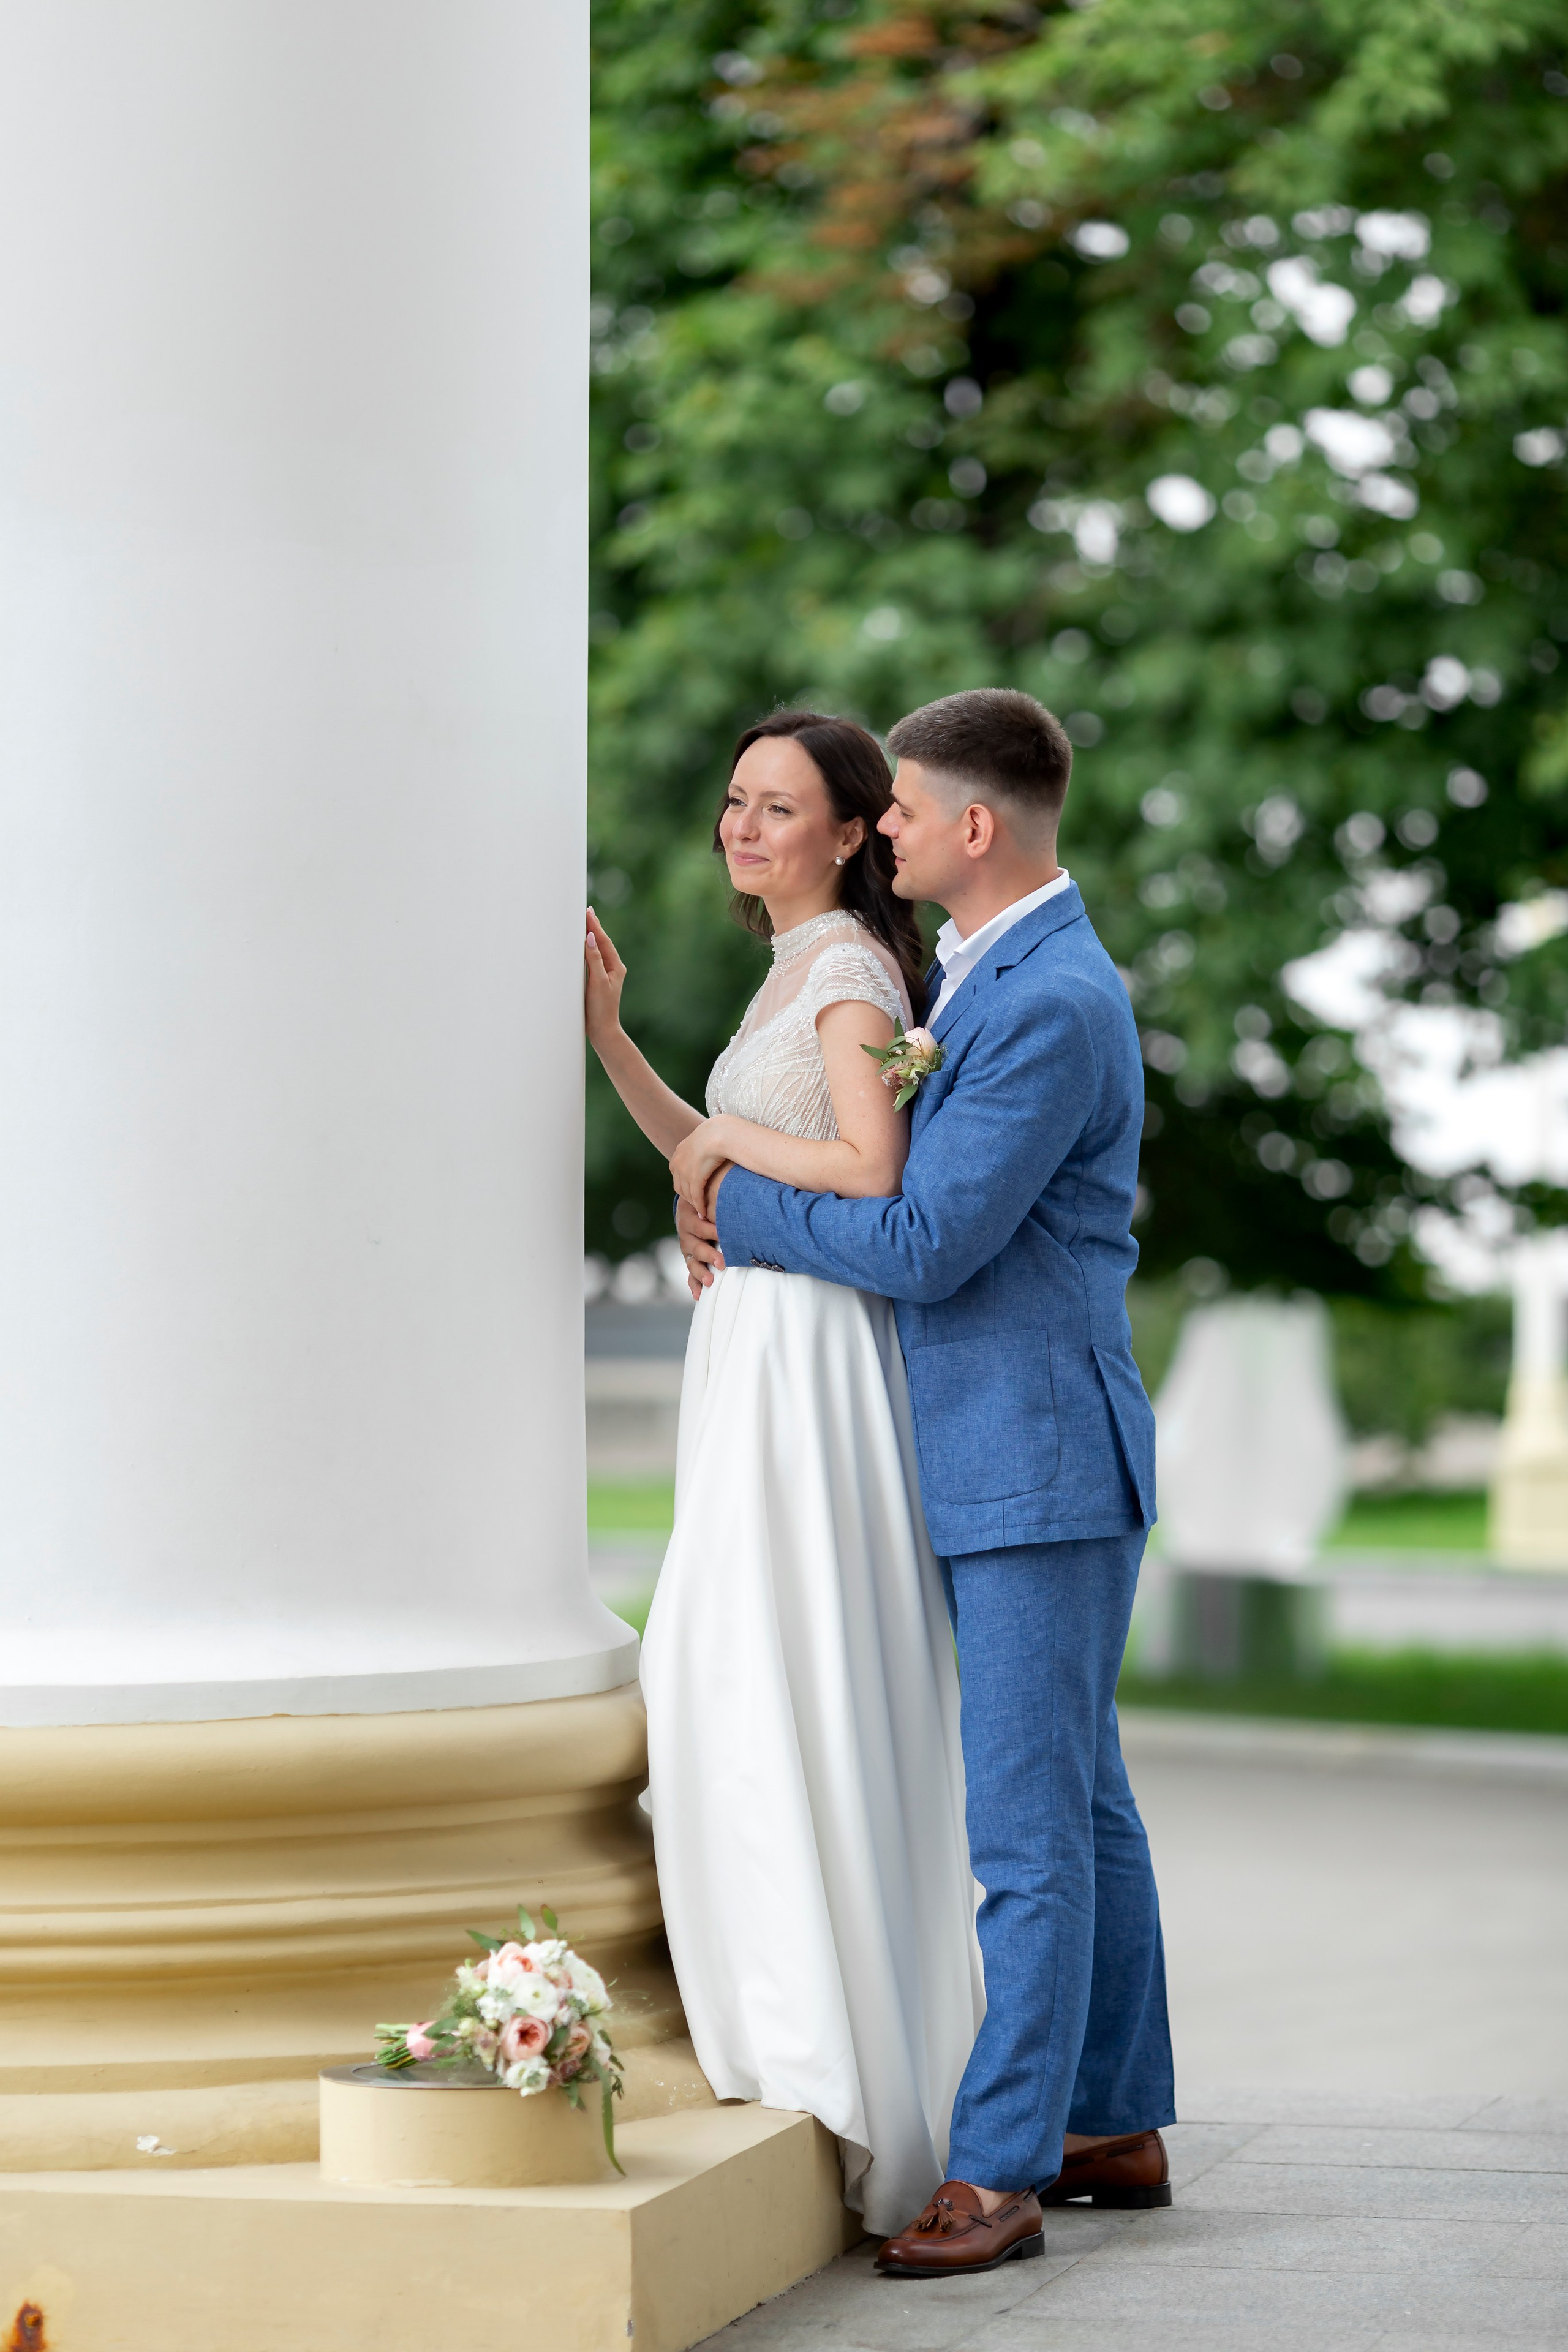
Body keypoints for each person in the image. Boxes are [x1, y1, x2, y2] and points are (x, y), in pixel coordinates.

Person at [678, 687, 1176, 2278]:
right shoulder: (992, 973)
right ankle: (1114, 2116)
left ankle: (1006, 2170)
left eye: (898, 810)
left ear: (976, 827)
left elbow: (924, 1239)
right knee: (1084, 1808)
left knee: (1029, 1830)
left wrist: (734, 1206)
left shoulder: (1043, 1006)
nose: (880, 832)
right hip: (1025, 1452)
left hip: (1029, 1461)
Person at [583, 709, 983, 2237]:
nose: (742, 828)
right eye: (733, 801)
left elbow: (870, 1169)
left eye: (777, 807)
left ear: (846, 831)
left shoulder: (851, 970)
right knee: (725, 1661)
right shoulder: (789, 971)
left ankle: (836, 2055)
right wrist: (612, 1042)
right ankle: (785, 2017)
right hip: (751, 1348)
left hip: (815, 1357)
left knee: (778, 1658)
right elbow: (713, 1151)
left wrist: (724, 1150)